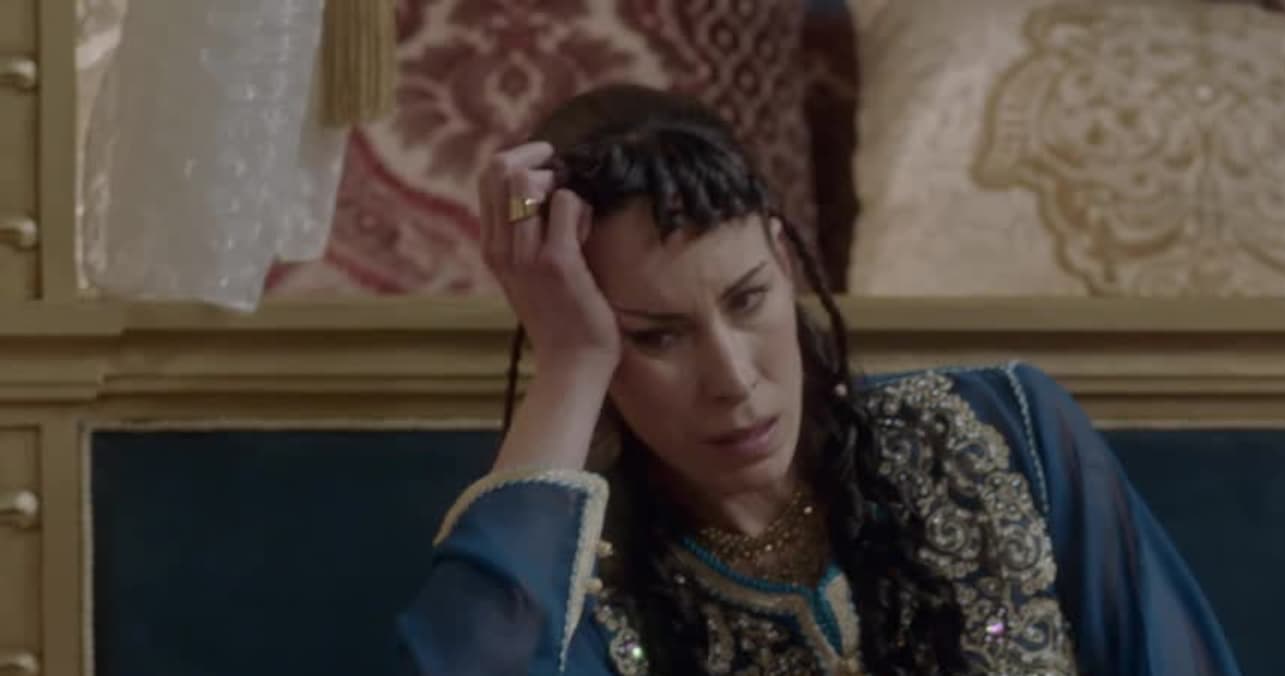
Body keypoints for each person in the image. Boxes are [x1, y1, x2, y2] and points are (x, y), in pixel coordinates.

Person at [396, 84, 1241, 675]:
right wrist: (569, 367)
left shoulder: (1009, 431)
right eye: (656, 336)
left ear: (784, 259)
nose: (732, 379)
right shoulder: (578, 590)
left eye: (748, 299)